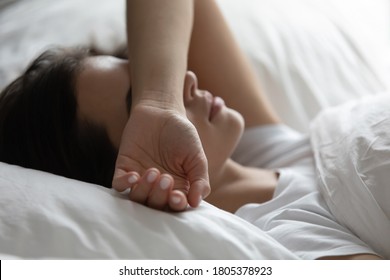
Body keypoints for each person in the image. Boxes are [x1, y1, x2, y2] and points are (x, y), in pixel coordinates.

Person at [0, 0, 382, 259]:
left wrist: (158, 100)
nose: (186, 78)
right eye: (136, 104)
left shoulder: (268, 149)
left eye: (138, 67)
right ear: (130, 174)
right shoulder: (289, 229)